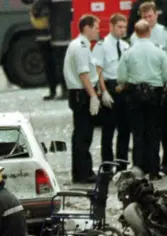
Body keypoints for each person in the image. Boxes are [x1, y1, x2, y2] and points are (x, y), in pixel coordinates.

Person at [117, 19, 167, 180]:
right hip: (154, 95)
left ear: (135, 32)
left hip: (135, 95)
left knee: (138, 133)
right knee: (154, 134)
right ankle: (154, 170)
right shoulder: (159, 52)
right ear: (149, 32)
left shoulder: (128, 53)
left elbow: (121, 77)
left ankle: (139, 168)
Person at [131, 1, 167, 176]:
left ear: (156, 15)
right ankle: (147, 163)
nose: (147, 19)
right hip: (143, 88)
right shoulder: (136, 36)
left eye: (150, 16)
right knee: (145, 129)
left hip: (162, 86)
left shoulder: (166, 34)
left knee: (165, 126)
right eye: (144, 17)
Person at [63, 14, 101, 183]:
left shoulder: (79, 45)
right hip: (81, 94)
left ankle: (80, 171)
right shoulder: (81, 46)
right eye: (96, 27)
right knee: (83, 134)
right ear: (87, 28)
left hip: (78, 93)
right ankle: (83, 173)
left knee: (81, 133)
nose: (98, 31)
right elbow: (83, 74)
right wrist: (93, 95)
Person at [92, 13, 130, 170]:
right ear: (112, 26)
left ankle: (122, 166)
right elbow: (98, 69)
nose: (122, 30)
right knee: (108, 131)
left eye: (124, 27)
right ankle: (107, 166)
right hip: (110, 87)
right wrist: (104, 91)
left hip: (124, 88)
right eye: (119, 27)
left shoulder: (125, 46)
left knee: (125, 130)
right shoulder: (102, 45)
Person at [29, 0, 69, 100]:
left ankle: (64, 90)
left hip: (57, 27)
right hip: (48, 29)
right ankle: (55, 90)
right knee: (50, 61)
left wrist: (37, 9)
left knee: (59, 60)